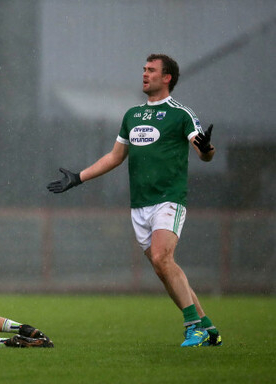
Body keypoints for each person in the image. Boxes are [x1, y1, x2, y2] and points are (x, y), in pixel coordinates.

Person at [47, 54, 222, 348]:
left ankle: (193, 328)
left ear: (167, 78)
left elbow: (204, 151)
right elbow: (115, 157)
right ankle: (208, 326)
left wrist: (207, 150)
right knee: (163, 268)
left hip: (169, 200)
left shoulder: (180, 114)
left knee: (161, 258)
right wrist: (79, 177)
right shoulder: (133, 115)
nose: (144, 74)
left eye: (151, 70)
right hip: (140, 205)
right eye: (143, 69)